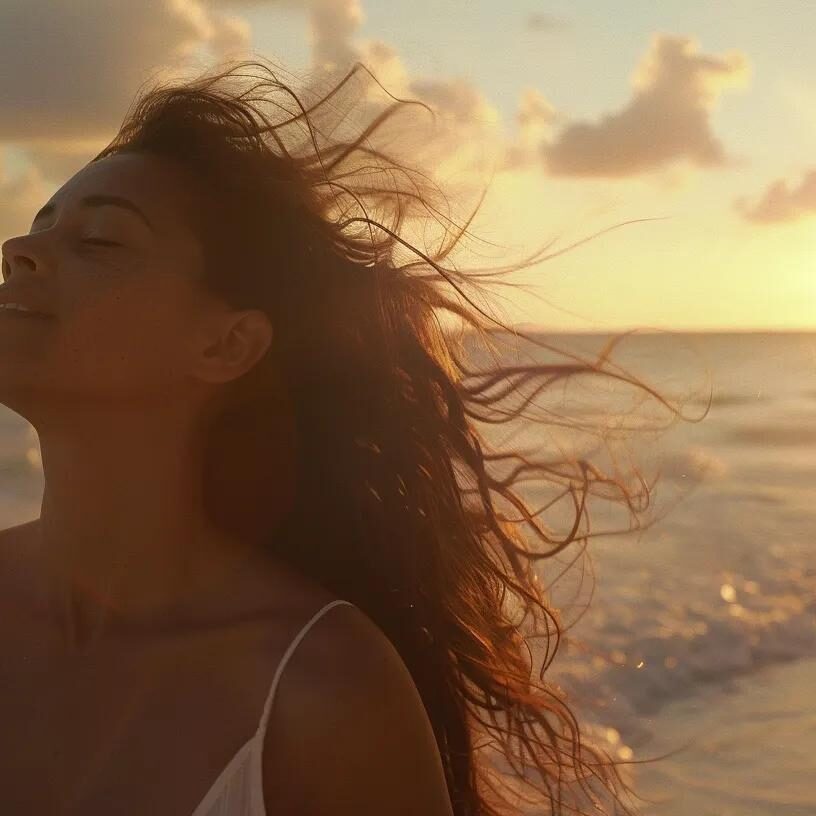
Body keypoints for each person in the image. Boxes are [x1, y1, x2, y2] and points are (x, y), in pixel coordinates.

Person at [0, 59, 656, 815]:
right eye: (39, 225)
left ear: (226, 344)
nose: (20, 248)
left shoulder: (323, 695)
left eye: (102, 242)